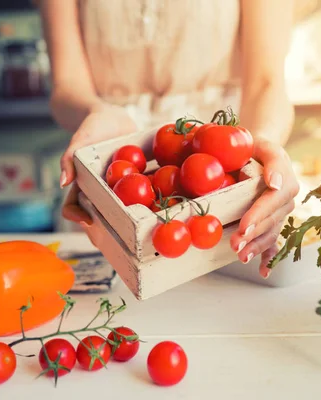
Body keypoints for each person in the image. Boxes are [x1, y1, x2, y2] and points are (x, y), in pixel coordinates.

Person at [37, 0, 300, 278]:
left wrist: (261, 146)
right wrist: (96, 112)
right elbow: (67, 87)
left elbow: (267, 83)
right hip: (110, 175)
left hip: (224, 195)